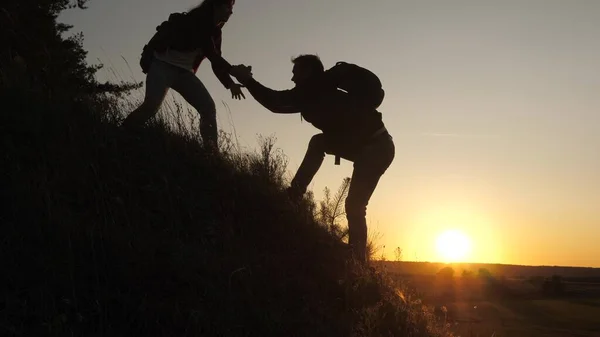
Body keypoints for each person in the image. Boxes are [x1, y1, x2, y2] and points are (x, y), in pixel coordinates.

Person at [229, 55, 395, 264]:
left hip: (376, 148)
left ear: (307, 72)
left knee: (354, 204)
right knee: (318, 143)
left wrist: (247, 80)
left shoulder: (313, 90)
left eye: (295, 72)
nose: (292, 78)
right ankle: (295, 193)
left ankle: (358, 262)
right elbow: (277, 102)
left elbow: (275, 102)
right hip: (366, 146)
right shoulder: (317, 89)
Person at [122, 0, 245, 151]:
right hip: (162, 65)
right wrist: (233, 70)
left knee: (208, 107)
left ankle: (211, 153)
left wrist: (230, 83)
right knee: (151, 106)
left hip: (185, 74)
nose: (231, 12)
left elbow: (215, 62)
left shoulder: (216, 33)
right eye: (227, 7)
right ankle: (122, 133)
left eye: (231, 8)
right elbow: (211, 53)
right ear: (215, 5)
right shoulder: (198, 20)